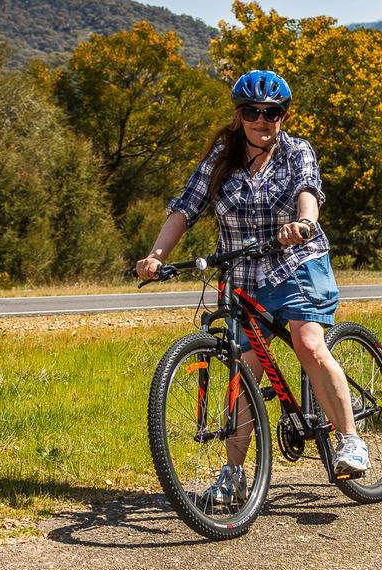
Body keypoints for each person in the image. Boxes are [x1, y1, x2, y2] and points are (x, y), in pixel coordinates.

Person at [136, 69, 367, 505]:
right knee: (243, 371)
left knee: (309, 344)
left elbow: (308, 192)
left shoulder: (297, 151)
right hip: (242, 276)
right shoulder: (221, 157)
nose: (262, 119)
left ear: (283, 116)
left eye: (272, 112)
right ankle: (234, 473)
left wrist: (304, 223)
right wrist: (157, 257)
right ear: (239, 115)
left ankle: (350, 440)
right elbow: (185, 207)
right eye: (252, 112)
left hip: (297, 264)